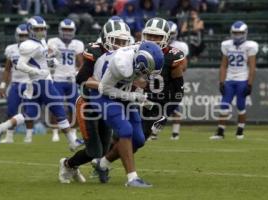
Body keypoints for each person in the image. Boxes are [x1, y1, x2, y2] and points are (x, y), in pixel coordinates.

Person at [58, 19, 132, 184]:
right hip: (88, 104)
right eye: (116, 41)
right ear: (105, 39)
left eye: (123, 41)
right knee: (94, 151)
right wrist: (106, 87)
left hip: (107, 105)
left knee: (105, 149)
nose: (120, 45)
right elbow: (81, 78)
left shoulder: (128, 54)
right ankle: (67, 164)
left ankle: (74, 165)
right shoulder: (95, 51)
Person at [0, 16, 78, 151]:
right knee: (59, 109)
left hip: (36, 83)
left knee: (29, 114)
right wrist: (36, 71)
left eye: (42, 28)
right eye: (37, 29)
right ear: (30, 30)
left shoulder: (42, 41)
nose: (41, 31)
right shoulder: (28, 45)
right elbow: (20, 65)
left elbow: (46, 63)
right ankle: (72, 142)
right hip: (41, 82)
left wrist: (52, 61)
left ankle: (1, 127)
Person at [90, 41, 164, 188]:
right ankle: (132, 179)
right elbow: (104, 89)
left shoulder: (139, 53)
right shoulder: (121, 64)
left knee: (138, 140)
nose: (148, 76)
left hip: (123, 93)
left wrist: (138, 93)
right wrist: (132, 96)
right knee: (125, 130)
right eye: (147, 72)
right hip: (104, 96)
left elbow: (136, 80)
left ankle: (102, 164)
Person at [210, 21, 258, 140]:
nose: (237, 35)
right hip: (230, 80)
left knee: (241, 105)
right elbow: (223, 65)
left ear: (245, 33)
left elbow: (252, 67)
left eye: (240, 33)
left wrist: (250, 84)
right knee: (224, 105)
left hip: (242, 79)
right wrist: (221, 82)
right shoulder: (227, 45)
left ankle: (240, 131)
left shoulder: (250, 46)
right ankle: (220, 132)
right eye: (235, 33)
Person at [140, 17, 185, 140]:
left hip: (155, 106)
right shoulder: (135, 50)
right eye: (149, 36)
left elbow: (178, 92)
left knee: (140, 139)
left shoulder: (172, 56)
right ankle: (102, 158)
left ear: (166, 37)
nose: (152, 40)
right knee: (122, 133)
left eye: (157, 36)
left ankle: (104, 159)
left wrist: (165, 114)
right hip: (133, 101)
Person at [47, 18, 84, 146]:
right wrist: (51, 55)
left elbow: (81, 63)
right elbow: (48, 56)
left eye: (70, 30)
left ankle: (73, 131)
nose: (67, 32)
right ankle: (55, 132)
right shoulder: (53, 42)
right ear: (60, 30)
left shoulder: (78, 44)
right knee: (56, 105)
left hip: (71, 80)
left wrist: (77, 71)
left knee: (76, 107)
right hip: (57, 78)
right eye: (65, 30)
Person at [0, 23, 34, 144]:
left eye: (25, 35)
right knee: (11, 110)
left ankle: (29, 136)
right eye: (21, 35)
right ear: (16, 35)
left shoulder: (34, 48)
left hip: (29, 83)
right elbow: (7, 69)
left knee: (28, 110)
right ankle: (9, 137)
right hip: (15, 83)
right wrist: (3, 85)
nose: (23, 38)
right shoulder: (11, 49)